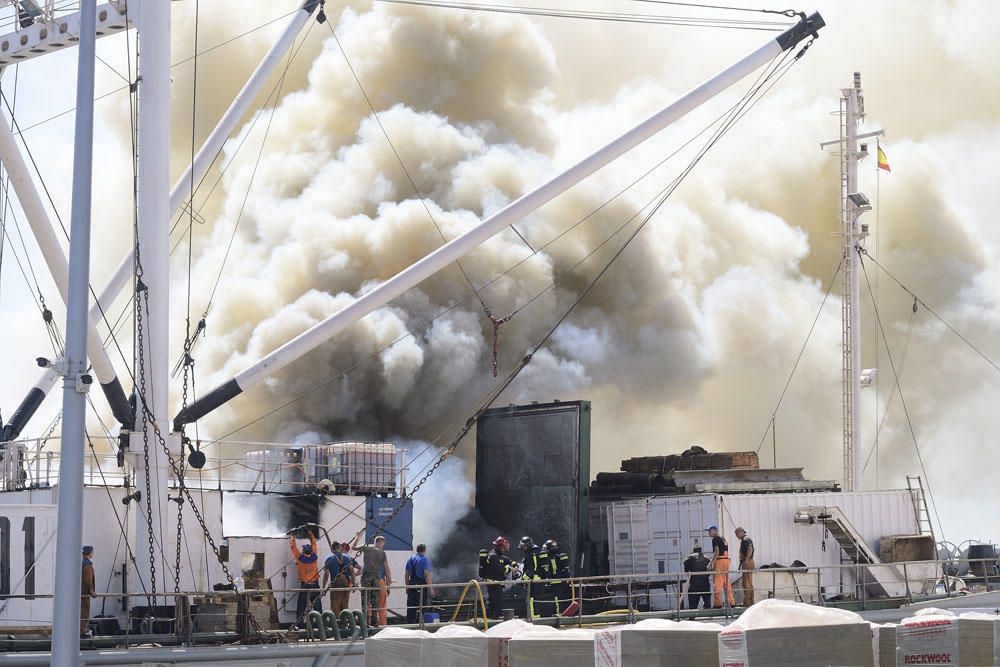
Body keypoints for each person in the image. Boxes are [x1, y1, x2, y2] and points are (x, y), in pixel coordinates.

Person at [355, 535, 392, 627]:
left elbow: (353, 547)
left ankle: (364, 622)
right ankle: (374, 621)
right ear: (381, 542)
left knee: (365, 600)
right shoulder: (382, 552)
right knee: (374, 600)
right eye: (383, 544)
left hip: (366, 577)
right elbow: (386, 568)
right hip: (376, 578)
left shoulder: (366, 547)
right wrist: (389, 580)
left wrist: (357, 537)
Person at [479, 536, 517, 619]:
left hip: (496, 583)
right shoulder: (493, 556)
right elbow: (502, 570)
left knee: (492, 602)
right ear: (500, 546)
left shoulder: (497, 555)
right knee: (498, 604)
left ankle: (489, 619)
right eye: (504, 547)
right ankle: (497, 619)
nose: (504, 549)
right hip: (493, 583)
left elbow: (506, 560)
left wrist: (514, 564)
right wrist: (510, 568)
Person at [290, 529, 322, 622]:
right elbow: (314, 544)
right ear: (311, 551)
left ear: (303, 552)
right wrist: (310, 532)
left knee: (301, 607)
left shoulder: (300, 558)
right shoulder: (315, 556)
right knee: (317, 606)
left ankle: (299, 625)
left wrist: (293, 536)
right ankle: (321, 625)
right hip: (315, 585)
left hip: (305, 585)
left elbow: (293, 547)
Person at [322, 541, 356, 616]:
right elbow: (352, 571)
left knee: (335, 605)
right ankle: (345, 622)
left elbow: (326, 574)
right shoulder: (347, 557)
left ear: (332, 549)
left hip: (335, 583)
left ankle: (336, 624)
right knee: (345, 604)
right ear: (340, 547)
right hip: (345, 583)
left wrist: (324, 588)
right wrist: (354, 585)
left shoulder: (329, 558)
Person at [540, 539, 572, 616]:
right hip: (562, 583)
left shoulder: (551, 558)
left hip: (556, 583)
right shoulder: (560, 556)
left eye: (546, 548)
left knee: (558, 601)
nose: (545, 550)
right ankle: (562, 615)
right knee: (562, 600)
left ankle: (559, 615)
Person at [404, 544, 434, 624]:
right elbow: (426, 574)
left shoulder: (410, 559)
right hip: (421, 587)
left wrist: (407, 587)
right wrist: (431, 589)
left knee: (411, 608)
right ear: (425, 550)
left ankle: (410, 626)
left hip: (411, 586)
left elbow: (406, 575)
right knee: (423, 607)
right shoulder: (424, 559)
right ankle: (420, 625)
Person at [706, 525, 735, 608]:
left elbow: (717, 552)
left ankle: (718, 604)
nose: (708, 533)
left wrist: (711, 563)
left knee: (717, 583)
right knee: (726, 582)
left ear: (714, 530)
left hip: (720, 561)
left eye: (710, 531)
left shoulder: (715, 539)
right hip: (726, 560)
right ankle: (731, 602)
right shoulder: (723, 538)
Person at [518, 536, 546, 618]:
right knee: (537, 600)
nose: (523, 548)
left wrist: (522, 580)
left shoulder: (530, 554)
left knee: (531, 600)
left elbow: (531, 570)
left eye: (524, 546)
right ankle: (536, 616)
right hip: (538, 581)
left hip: (533, 581)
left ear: (528, 545)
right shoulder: (537, 551)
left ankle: (533, 618)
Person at [683, 546, 711, 610]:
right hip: (705, 584)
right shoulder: (707, 559)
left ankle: (692, 617)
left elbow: (685, 564)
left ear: (693, 551)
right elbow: (710, 569)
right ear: (701, 551)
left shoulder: (690, 558)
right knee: (707, 605)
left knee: (692, 606)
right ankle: (709, 615)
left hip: (694, 584)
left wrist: (688, 571)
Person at [735, 527, 755, 606]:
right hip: (750, 561)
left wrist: (746, 560)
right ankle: (751, 600)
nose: (736, 536)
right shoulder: (748, 539)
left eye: (737, 534)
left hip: (747, 562)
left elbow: (750, 549)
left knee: (746, 582)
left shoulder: (745, 540)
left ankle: (747, 602)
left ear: (741, 532)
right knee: (749, 582)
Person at [81, 545, 96, 637]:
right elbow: (88, 580)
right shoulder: (88, 566)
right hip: (85, 594)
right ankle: (81, 632)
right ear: (90, 553)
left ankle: (80, 630)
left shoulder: (81, 563)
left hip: (80, 592)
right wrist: (91, 591)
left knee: (80, 612)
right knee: (84, 612)